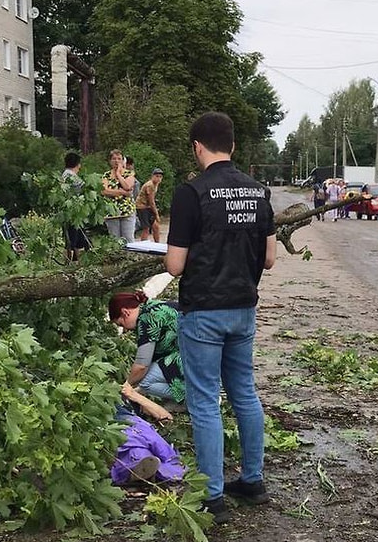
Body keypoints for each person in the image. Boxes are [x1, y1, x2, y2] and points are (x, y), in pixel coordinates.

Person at [165, 111, 276, 523]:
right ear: (233, 145)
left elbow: (175, 266)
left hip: (204, 313)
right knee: (244, 393)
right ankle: (253, 480)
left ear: (197, 146)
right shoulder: (259, 193)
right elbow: (269, 260)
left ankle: (212, 496)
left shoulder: (190, 193)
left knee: (206, 402)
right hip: (244, 309)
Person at [108, 291, 186, 403]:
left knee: (145, 381)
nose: (125, 330)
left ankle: (195, 399)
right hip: (201, 348)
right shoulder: (151, 306)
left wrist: (128, 385)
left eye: (121, 324)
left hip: (192, 355)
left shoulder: (146, 320)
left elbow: (141, 366)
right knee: (155, 371)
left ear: (125, 312)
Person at [61, 152, 90, 262]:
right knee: (73, 239)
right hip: (74, 213)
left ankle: (76, 261)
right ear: (78, 164)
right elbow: (83, 189)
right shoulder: (71, 176)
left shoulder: (65, 174)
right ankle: (70, 262)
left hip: (72, 212)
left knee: (77, 239)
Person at [101, 149, 136, 241]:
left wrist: (118, 174)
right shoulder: (106, 175)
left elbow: (128, 186)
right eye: (114, 159)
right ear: (110, 161)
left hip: (127, 211)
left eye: (119, 159)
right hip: (112, 212)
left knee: (128, 239)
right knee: (114, 240)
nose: (116, 161)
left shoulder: (129, 173)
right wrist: (123, 192)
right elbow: (104, 191)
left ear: (122, 160)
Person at [136, 169, 164, 242]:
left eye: (160, 177)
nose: (158, 178)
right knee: (146, 228)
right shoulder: (150, 185)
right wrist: (156, 214)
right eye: (157, 176)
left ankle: (157, 244)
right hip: (142, 207)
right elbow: (151, 201)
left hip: (147, 207)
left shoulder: (156, 184)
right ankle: (143, 244)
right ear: (152, 176)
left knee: (156, 227)